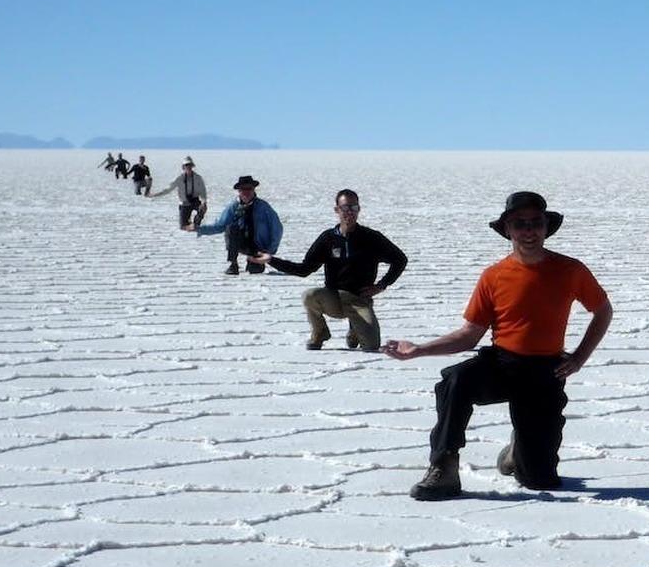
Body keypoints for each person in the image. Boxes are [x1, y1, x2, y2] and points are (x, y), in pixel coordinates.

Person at [383, 191, 612, 500]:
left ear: (546, 227)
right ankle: (444, 468)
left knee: (540, 480)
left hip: (546, 372)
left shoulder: (570, 270)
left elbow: (602, 310)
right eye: (520, 224)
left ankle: (518, 452)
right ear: (508, 230)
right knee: (455, 380)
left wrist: (580, 357)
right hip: (502, 364)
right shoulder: (493, 276)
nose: (529, 231)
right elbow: (469, 335)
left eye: (536, 223)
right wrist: (420, 349)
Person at [250, 189, 408, 351]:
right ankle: (320, 333)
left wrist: (381, 285)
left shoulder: (371, 238)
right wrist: (271, 260)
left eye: (354, 208)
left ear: (359, 209)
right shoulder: (328, 239)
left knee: (371, 346)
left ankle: (355, 328)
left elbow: (400, 259)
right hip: (333, 297)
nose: (349, 213)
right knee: (309, 296)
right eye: (345, 208)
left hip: (358, 299)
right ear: (337, 210)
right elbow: (304, 269)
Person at [191, 175, 282, 275]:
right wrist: (200, 229)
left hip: (258, 246)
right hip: (241, 242)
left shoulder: (264, 207)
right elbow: (220, 225)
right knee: (231, 228)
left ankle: (253, 261)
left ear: (254, 189)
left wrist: (269, 251)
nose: (246, 192)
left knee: (255, 270)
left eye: (249, 189)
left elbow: (277, 229)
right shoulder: (234, 207)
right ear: (239, 191)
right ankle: (233, 264)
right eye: (243, 189)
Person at [148, 156, 208, 229]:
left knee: (203, 208)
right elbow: (168, 189)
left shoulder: (198, 178)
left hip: (195, 201)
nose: (188, 167)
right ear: (183, 167)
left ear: (192, 166)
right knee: (183, 227)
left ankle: (196, 223)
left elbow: (203, 191)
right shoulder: (179, 178)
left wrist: (203, 202)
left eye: (189, 165)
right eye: (186, 165)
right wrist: (155, 194)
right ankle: (189, 224)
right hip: (184, 203)